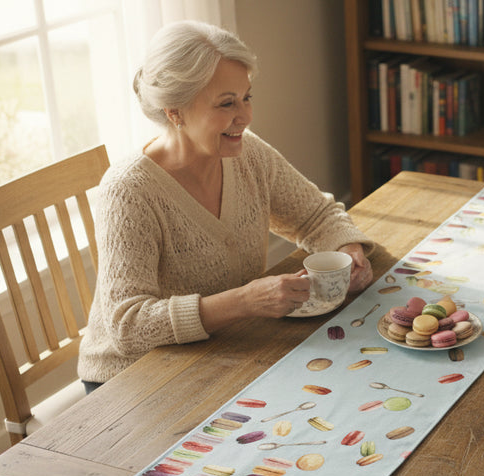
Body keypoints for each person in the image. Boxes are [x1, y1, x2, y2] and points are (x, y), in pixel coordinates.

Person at [78, 21, 375, 392]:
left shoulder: (247, 152)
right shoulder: (128, 191)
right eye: (226, 104)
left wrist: (349, 253)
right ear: (175, 112)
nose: (246, 117)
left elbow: (315, 215)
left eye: (247, 97)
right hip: (132, 379)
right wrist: (245, 301)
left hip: (220, 349)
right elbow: (130, 327)